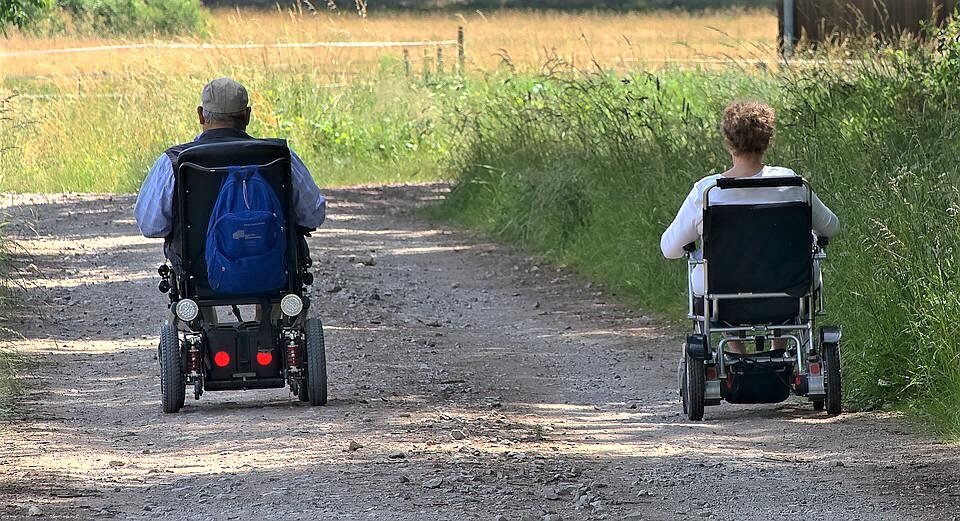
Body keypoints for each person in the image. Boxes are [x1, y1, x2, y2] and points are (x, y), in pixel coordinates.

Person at [660, 101, 840, 351]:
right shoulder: (794, 185)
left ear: (729, 142)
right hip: (789, 292)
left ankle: (735, 353)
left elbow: (670, 249)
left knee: (706, 270)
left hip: (722, 295)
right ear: (768, 141)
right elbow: (831, 227)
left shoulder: (708, 191)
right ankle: (781, 347)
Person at [134, 77, 326, 272]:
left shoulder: (174, 161)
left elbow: (152, 226)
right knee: (278, 265)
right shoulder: (281, 156)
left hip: (199, 270)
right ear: (248, 115)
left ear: (201, 115)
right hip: (275, 267)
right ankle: (272, 300)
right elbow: (312, 215)